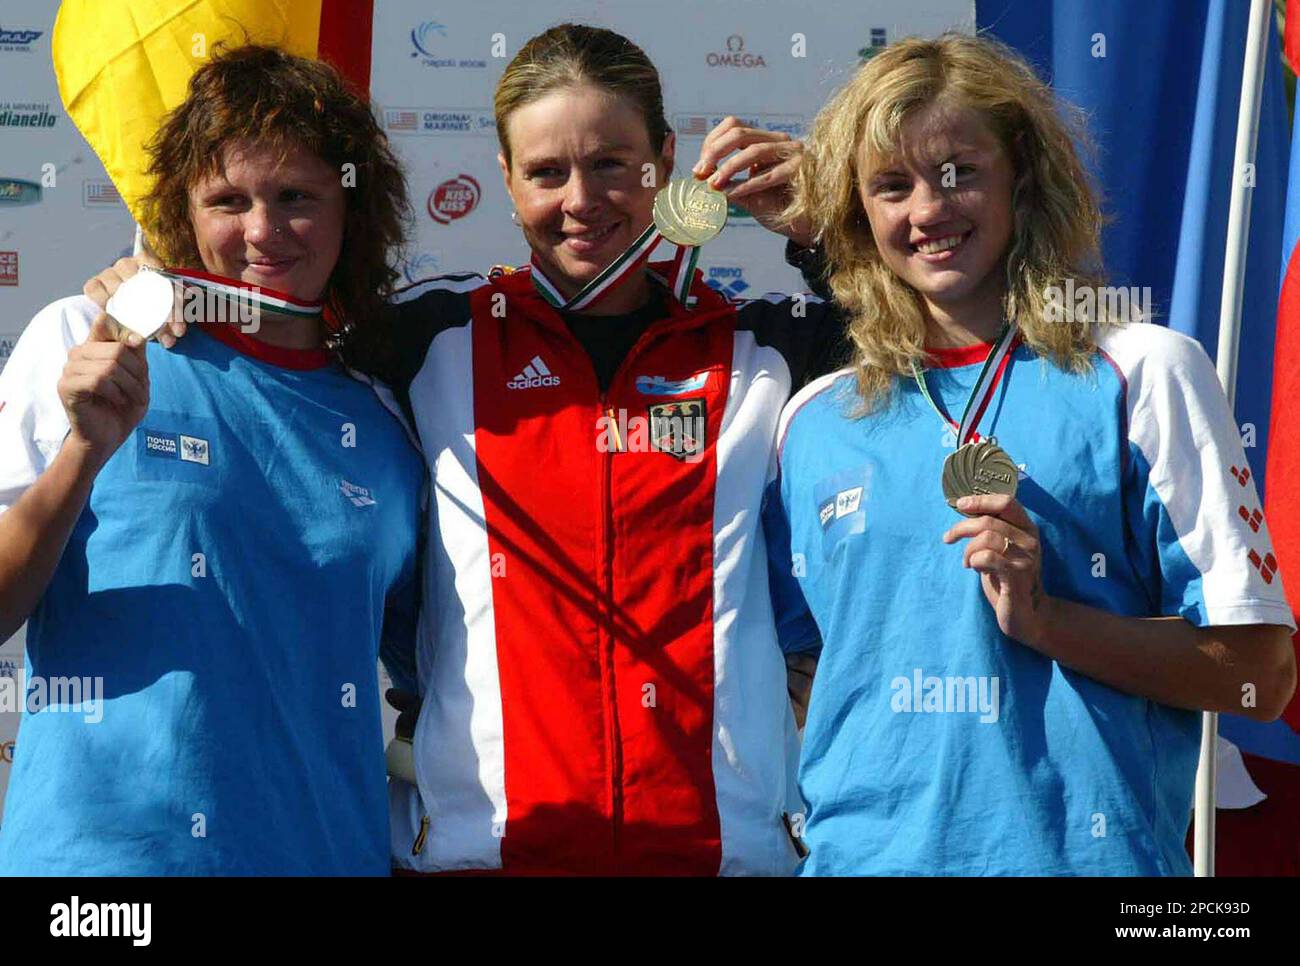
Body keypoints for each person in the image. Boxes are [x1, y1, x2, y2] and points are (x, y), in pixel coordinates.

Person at [86, 24, 845, 876]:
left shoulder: (773, 341)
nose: (581, 200)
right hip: (479, 857)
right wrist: (143, 283)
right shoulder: (424, 334)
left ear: (663, 161)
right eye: (547, 172)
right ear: (507, 182)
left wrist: (825, 238)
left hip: (722, 855)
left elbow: (939, 354)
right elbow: (267, 314)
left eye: (611, 164)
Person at [764, 33, 1297, 875]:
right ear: (856, 213)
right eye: (891, 186)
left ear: (1024, 174)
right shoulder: (811, 421)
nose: (927, 211)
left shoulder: (1144, 371)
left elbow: (1259, 680)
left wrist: (1050, 621)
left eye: (958, 173)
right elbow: (805, 677)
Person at [0, 45, 423, 874]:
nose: (263, 231)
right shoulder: (82, 342)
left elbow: (436, 681)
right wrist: (83, 454)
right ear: (182, 213)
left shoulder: (387, 419)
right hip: (106, 880)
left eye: (296, 196)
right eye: (228, 200)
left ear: (351, 206)